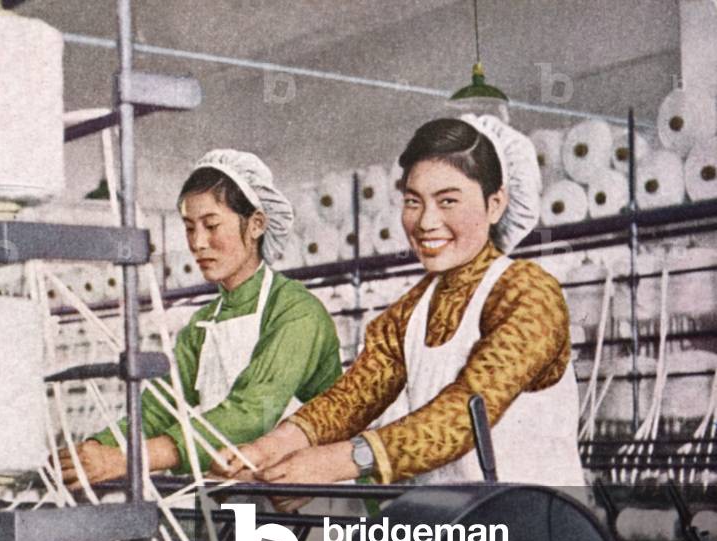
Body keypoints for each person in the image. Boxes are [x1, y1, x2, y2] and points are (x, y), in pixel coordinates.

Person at [215, 116, 584, 504]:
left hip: (541, 534)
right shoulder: (413, 309)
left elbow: (461, 415)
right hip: (452, 531)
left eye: (448, 201)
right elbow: (351, 399)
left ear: (495, 204)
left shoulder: (529, 293)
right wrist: (266, 450)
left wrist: (339, 461)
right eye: (413, 201)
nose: (426, 222)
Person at [61, 149, 342, 486]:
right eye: (189, 228)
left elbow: (251, 414)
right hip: (245, 490)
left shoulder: (296, 311)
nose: (198, 243)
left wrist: (129, 459)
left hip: (319, 496)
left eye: (211, 225)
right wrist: (91, 450)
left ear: (256, 225)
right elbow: (160, 408)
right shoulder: (202, 324)